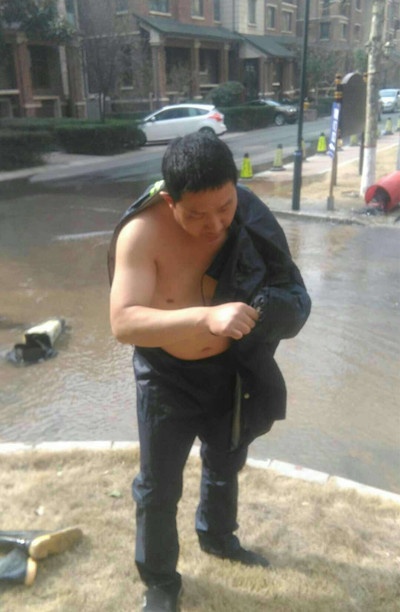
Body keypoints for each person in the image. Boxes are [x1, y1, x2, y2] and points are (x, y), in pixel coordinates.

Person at [108, 132, 311, 612]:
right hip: (166, 377)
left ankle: (218, 537)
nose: (215, 224)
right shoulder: (142, 233)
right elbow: (123, 322)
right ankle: (160, 582)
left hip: (231, 368)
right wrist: (205, 318)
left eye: (224, 206)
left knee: (225, 459)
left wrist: (273, 311)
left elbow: (289, 285)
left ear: (235, 188)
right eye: (196, 214)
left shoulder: (250, 216)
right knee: (158, 486)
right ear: (169, 200)